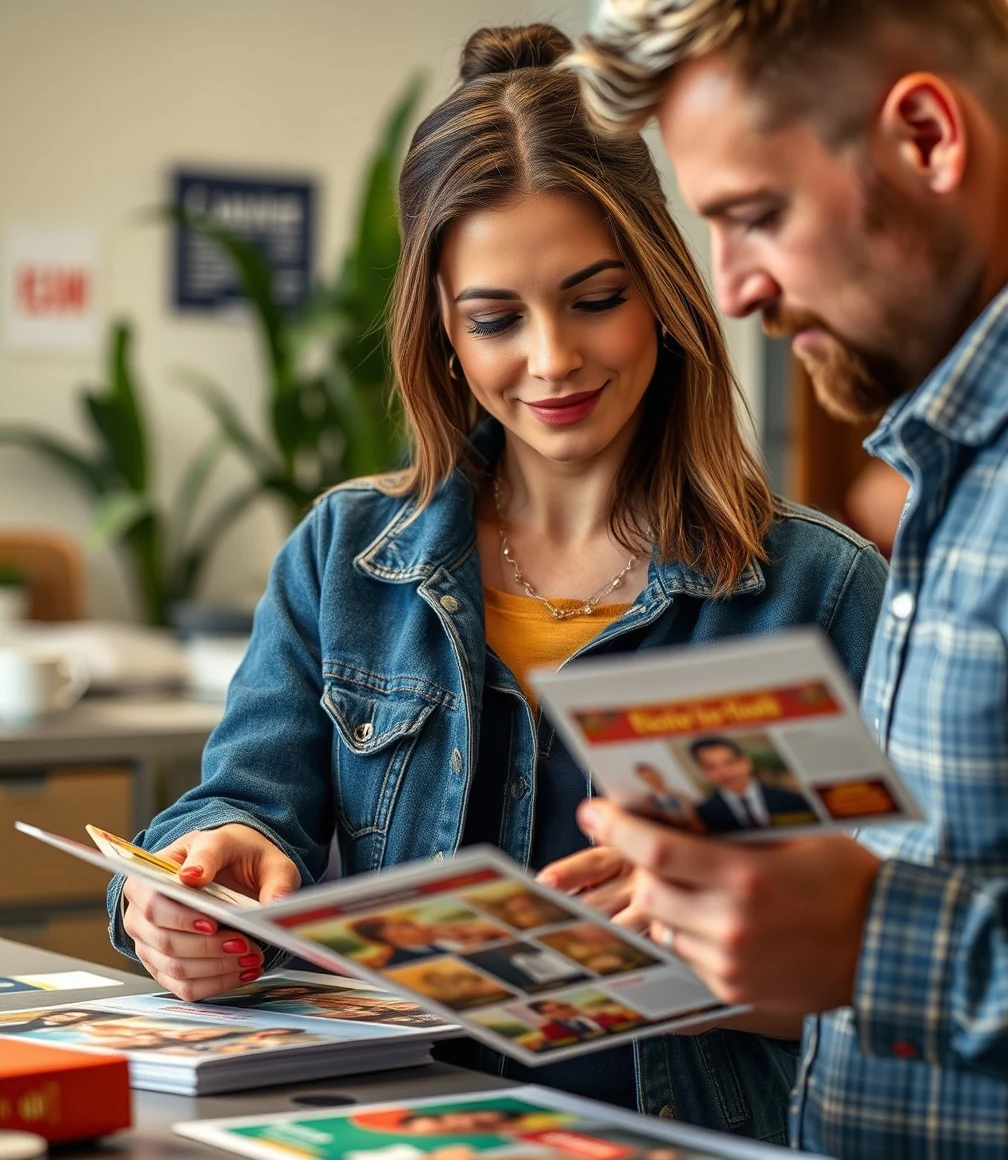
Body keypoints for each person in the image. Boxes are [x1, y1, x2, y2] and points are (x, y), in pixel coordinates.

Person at [107, 22, 888, 1144]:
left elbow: (912, 970)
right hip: (394, 1128)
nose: (552, 358)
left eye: (595, 298)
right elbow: (238, 808)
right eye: (496, 319)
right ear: (443, 329)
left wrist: (722, 930)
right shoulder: (345, 555)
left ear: (664, 291)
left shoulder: (818, 588)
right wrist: (186, 887)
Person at [569, 2, 1008, 1155]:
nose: (732, 294)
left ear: (927, 137)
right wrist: (765, 905)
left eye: (757, 216)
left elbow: (900, 935)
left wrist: (872, 938)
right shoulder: (945, 467)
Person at [687, 737, 817, 832]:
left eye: (730, 763)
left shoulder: (791, 799)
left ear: (745, 762)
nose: (724, 773)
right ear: (703, 771)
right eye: (711, 767)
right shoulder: (703, 815)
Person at [632, 761, 705, 831]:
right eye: (649, 779)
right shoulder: (648, 806)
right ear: (645, 781)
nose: (654, 780)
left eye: (654, 776)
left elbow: (695, 817)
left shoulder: (682, 797)